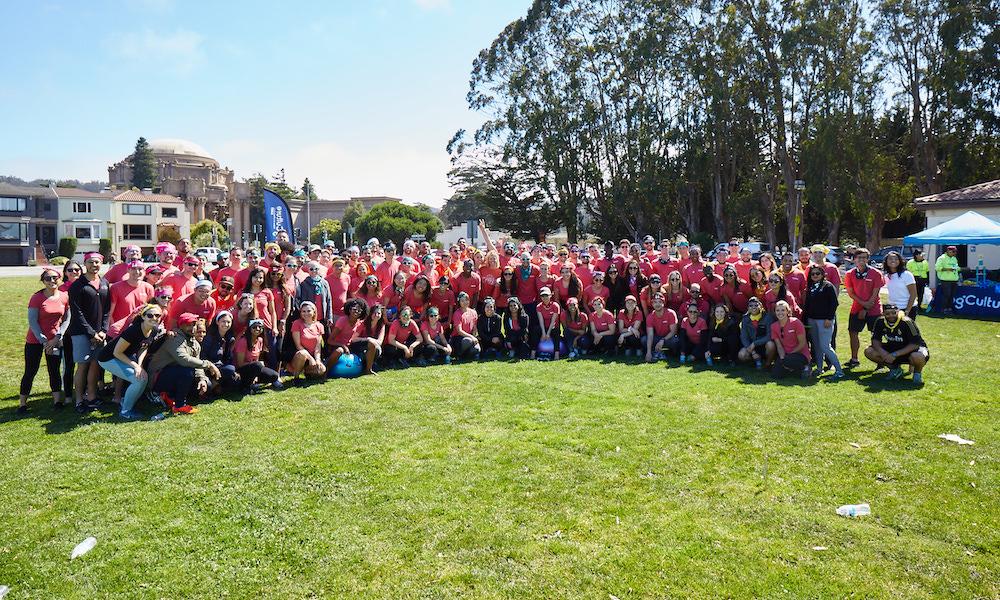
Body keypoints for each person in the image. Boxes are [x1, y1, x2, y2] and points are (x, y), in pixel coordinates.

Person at [97, 304, 163, 419]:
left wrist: (140, 364)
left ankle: (127, 403)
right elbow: (117, 352)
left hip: (123, 356)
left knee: (143, 377)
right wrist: (135, 366)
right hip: (108, 358)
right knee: (138, 379)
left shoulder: (154, 329)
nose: (154, 318)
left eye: (157, 315)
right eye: (150, 315)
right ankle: (125, 411)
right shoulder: (133, 330)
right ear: (143, 316)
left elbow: (144, 347)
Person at [148, 312, 223, 412]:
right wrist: (208, 365)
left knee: (207, 385)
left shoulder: (195, 343)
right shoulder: (174, 338)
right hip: (157, 378)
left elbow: (197, 364)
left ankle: (169, 397)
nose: (192, 328)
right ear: (181, 326)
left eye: (194, 325)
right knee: (186, 371)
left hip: (175, 374)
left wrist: (201, 379)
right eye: (188, 325)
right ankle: (178, 404)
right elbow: (184, 360)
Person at [19, 268, 70, 413]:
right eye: (48, 278)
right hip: (35, 341)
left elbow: (67, 318)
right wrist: (44, 341)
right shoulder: (37, 298)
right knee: (30, 371)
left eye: (55, 277)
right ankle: (22, 403)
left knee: (54, 371)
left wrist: (58, 336)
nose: (52, 281)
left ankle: (57, 402)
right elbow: (33, 321)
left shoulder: (65, 296)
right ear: (43, 281)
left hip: (55, 340)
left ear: (60, 279)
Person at [67, 252, 110, 414]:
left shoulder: (105, 283)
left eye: (98, 262)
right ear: (85, 264)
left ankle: (91, 396)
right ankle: (79, 400)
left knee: (95, 365)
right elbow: (77, 313)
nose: (95, 265)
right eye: (91, 262)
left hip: (100, 333)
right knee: (83, 365)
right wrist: (92, 333)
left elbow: (107, 310)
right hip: (81, 332)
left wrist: (104, 330)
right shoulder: (78, 286)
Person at [864, 303, 929, 384]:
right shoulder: (880, 321)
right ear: (883, 314)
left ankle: (917, 374)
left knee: (918, 356)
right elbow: (875, 340)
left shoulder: (907, 322)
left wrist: (894, 354)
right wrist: (883, 353)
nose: (891, 315)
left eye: (893, 313)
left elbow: (915, 344)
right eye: (887, 314)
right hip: (894, 347)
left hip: (912, 350)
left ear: (898, 312)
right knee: (869, 351)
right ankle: (895, 369)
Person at [843, 247, 885, 368]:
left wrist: (866, 308)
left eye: (864, 257)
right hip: (856, 307)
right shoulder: (850, 274)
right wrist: (863, 305)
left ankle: (880, 361)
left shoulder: (876, 273)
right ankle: (854, 359)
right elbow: (851, 293)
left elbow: (875, 293)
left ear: (868, 259)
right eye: (859, 257)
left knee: (876, 334)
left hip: (874, 308)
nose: (861, 260)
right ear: (854, 259)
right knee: (853, 333)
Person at [802, 265, 843, 379]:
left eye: (817, 273)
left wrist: (829, 319)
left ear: (823, 275)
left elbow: (834, 304)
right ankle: (819, 369)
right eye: (813, 274)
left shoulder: (828, 286)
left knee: (825, 346)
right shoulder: (810, 286)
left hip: (825, 320)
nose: (815, 275)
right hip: (812, 320)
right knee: (817, 346)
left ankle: (839, 371)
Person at [232, 318, 281, 394]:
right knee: (258, 365)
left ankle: (253, 382)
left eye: (260, 327)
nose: (257, 329)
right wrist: (257, 368)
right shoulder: (243, 341)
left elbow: (256, 359)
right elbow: (240, 364)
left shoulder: (260, 340)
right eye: (254, 327)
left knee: (274, 376)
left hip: (254, 367)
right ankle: (245, 387)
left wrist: (256, 373)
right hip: (241, 370)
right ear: (249, 328)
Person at [767, 300, 811, 379]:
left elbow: (802, 343)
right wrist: (782, 358)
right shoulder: (773, 326)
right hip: (786, 355)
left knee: (787, 361)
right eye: (777, 310)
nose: (780, 313)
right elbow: (779, 346)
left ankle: (806, 367)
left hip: (801, 354)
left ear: (788, 311)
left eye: (783, 310)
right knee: (775, 375)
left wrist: (789, 355)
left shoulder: (796, 322)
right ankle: (790, 368)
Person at [201, 311, 239, 393]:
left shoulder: (229, 338)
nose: (226, 324)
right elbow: (203, 354)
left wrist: (234, 372)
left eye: (228, 322)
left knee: (236, 380)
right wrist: (210, 366)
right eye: (223, 321)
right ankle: (213, 385)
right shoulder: (210, 337)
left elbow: (228, 357)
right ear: (217, 322)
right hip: (209, 368)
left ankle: (217, 386)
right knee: (230, 369)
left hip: (222, 368)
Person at [288, 301, 326, 381]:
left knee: (322, 370)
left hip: (312, 357)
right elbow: (298, 346)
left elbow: (318, 347)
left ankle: (307, 372)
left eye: (309, 311)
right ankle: (296, 377)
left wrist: (317, 360)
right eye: (303, 311)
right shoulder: (297, 323)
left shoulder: (319, 326)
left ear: (314, 312)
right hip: (299, 356)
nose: (306, 313)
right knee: (302, 353)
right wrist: (310, 359)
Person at [643, 292, 679, 362]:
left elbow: (673, 331)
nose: (657, 304)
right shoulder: (650, 316)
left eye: (660, 302)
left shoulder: (671, 313)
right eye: (655, 302)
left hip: (669, 338)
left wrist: (663, 340)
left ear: (663, 303)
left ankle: (667, 353)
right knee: (644, 339)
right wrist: (648, 352)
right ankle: (654, 352)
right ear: (652, 304)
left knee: (675, 341)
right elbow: (650, 335)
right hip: (657, 337)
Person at [738, 297, 772, 368]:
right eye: (751, 305)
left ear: (761, 306)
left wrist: (755, 343)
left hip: (763, 345)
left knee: (771, 345)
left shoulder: (768, 317)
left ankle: (767, 363)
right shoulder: (745, 319)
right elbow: (744, 337)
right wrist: (753, 352)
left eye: (756, 305)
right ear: (748, 308)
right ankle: (756, 360)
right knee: (741, 355)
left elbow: (769, 336)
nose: (753, 307)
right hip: (751, 346)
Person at [884, 251, 918, 320]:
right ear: (886, 261)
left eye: (896, 259)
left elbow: (913, 294)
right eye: (890, 259)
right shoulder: (887, 276)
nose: (893, 261)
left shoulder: (907, 274)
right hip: (893, 309)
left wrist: (907, 310)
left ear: (900, 261)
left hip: (907, 308)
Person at [450, 292, 481, 361]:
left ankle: (465, 356)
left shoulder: (473, 312)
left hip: (469, 336)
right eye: (462, 301)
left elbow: (474, 328)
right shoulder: (457, 313)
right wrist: (472, 337)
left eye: (466, 300)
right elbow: (459, 331)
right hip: (458, 338)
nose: (465, 302)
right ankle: (458, 354)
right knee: (468, 341)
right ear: (459, 302)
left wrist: (474, 337)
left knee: (477, 349)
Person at [535, 287, 562, 360]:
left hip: (552, 327)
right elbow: (541, 320)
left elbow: (553, 321)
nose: (544, 297)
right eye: (542, 296)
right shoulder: (539, 306)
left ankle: (557, 354)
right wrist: (543, 333)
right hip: (543, 327)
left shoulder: (555, 305)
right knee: (535, 330)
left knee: (556, 333)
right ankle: (533, 352)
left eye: (546, 295)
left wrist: (548, 334)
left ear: (550, 295)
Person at [934, 245, 960, 314]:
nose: (954, 253)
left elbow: (956, 267)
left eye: (955, 252)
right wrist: (948, 269)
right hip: (945, 280)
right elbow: (937, 268)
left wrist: (960, 269)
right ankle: (943, 309)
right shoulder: (942, 258)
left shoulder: (954, 258)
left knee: (952, 295)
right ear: (948, 251)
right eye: (953, 252)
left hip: (954, 280)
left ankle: (949, 309)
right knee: (946, 295)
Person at [907, 249, 930, 314]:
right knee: (913, 294)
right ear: (916, 255)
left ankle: (919, 306)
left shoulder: (925, 262)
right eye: (921, 254)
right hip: (914, 279)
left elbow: (927, 271)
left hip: (922, 279)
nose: (923, 256)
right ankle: (912, 306)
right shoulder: (910, 262)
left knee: (921, 294)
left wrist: (928, 280)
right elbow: (908, 272)